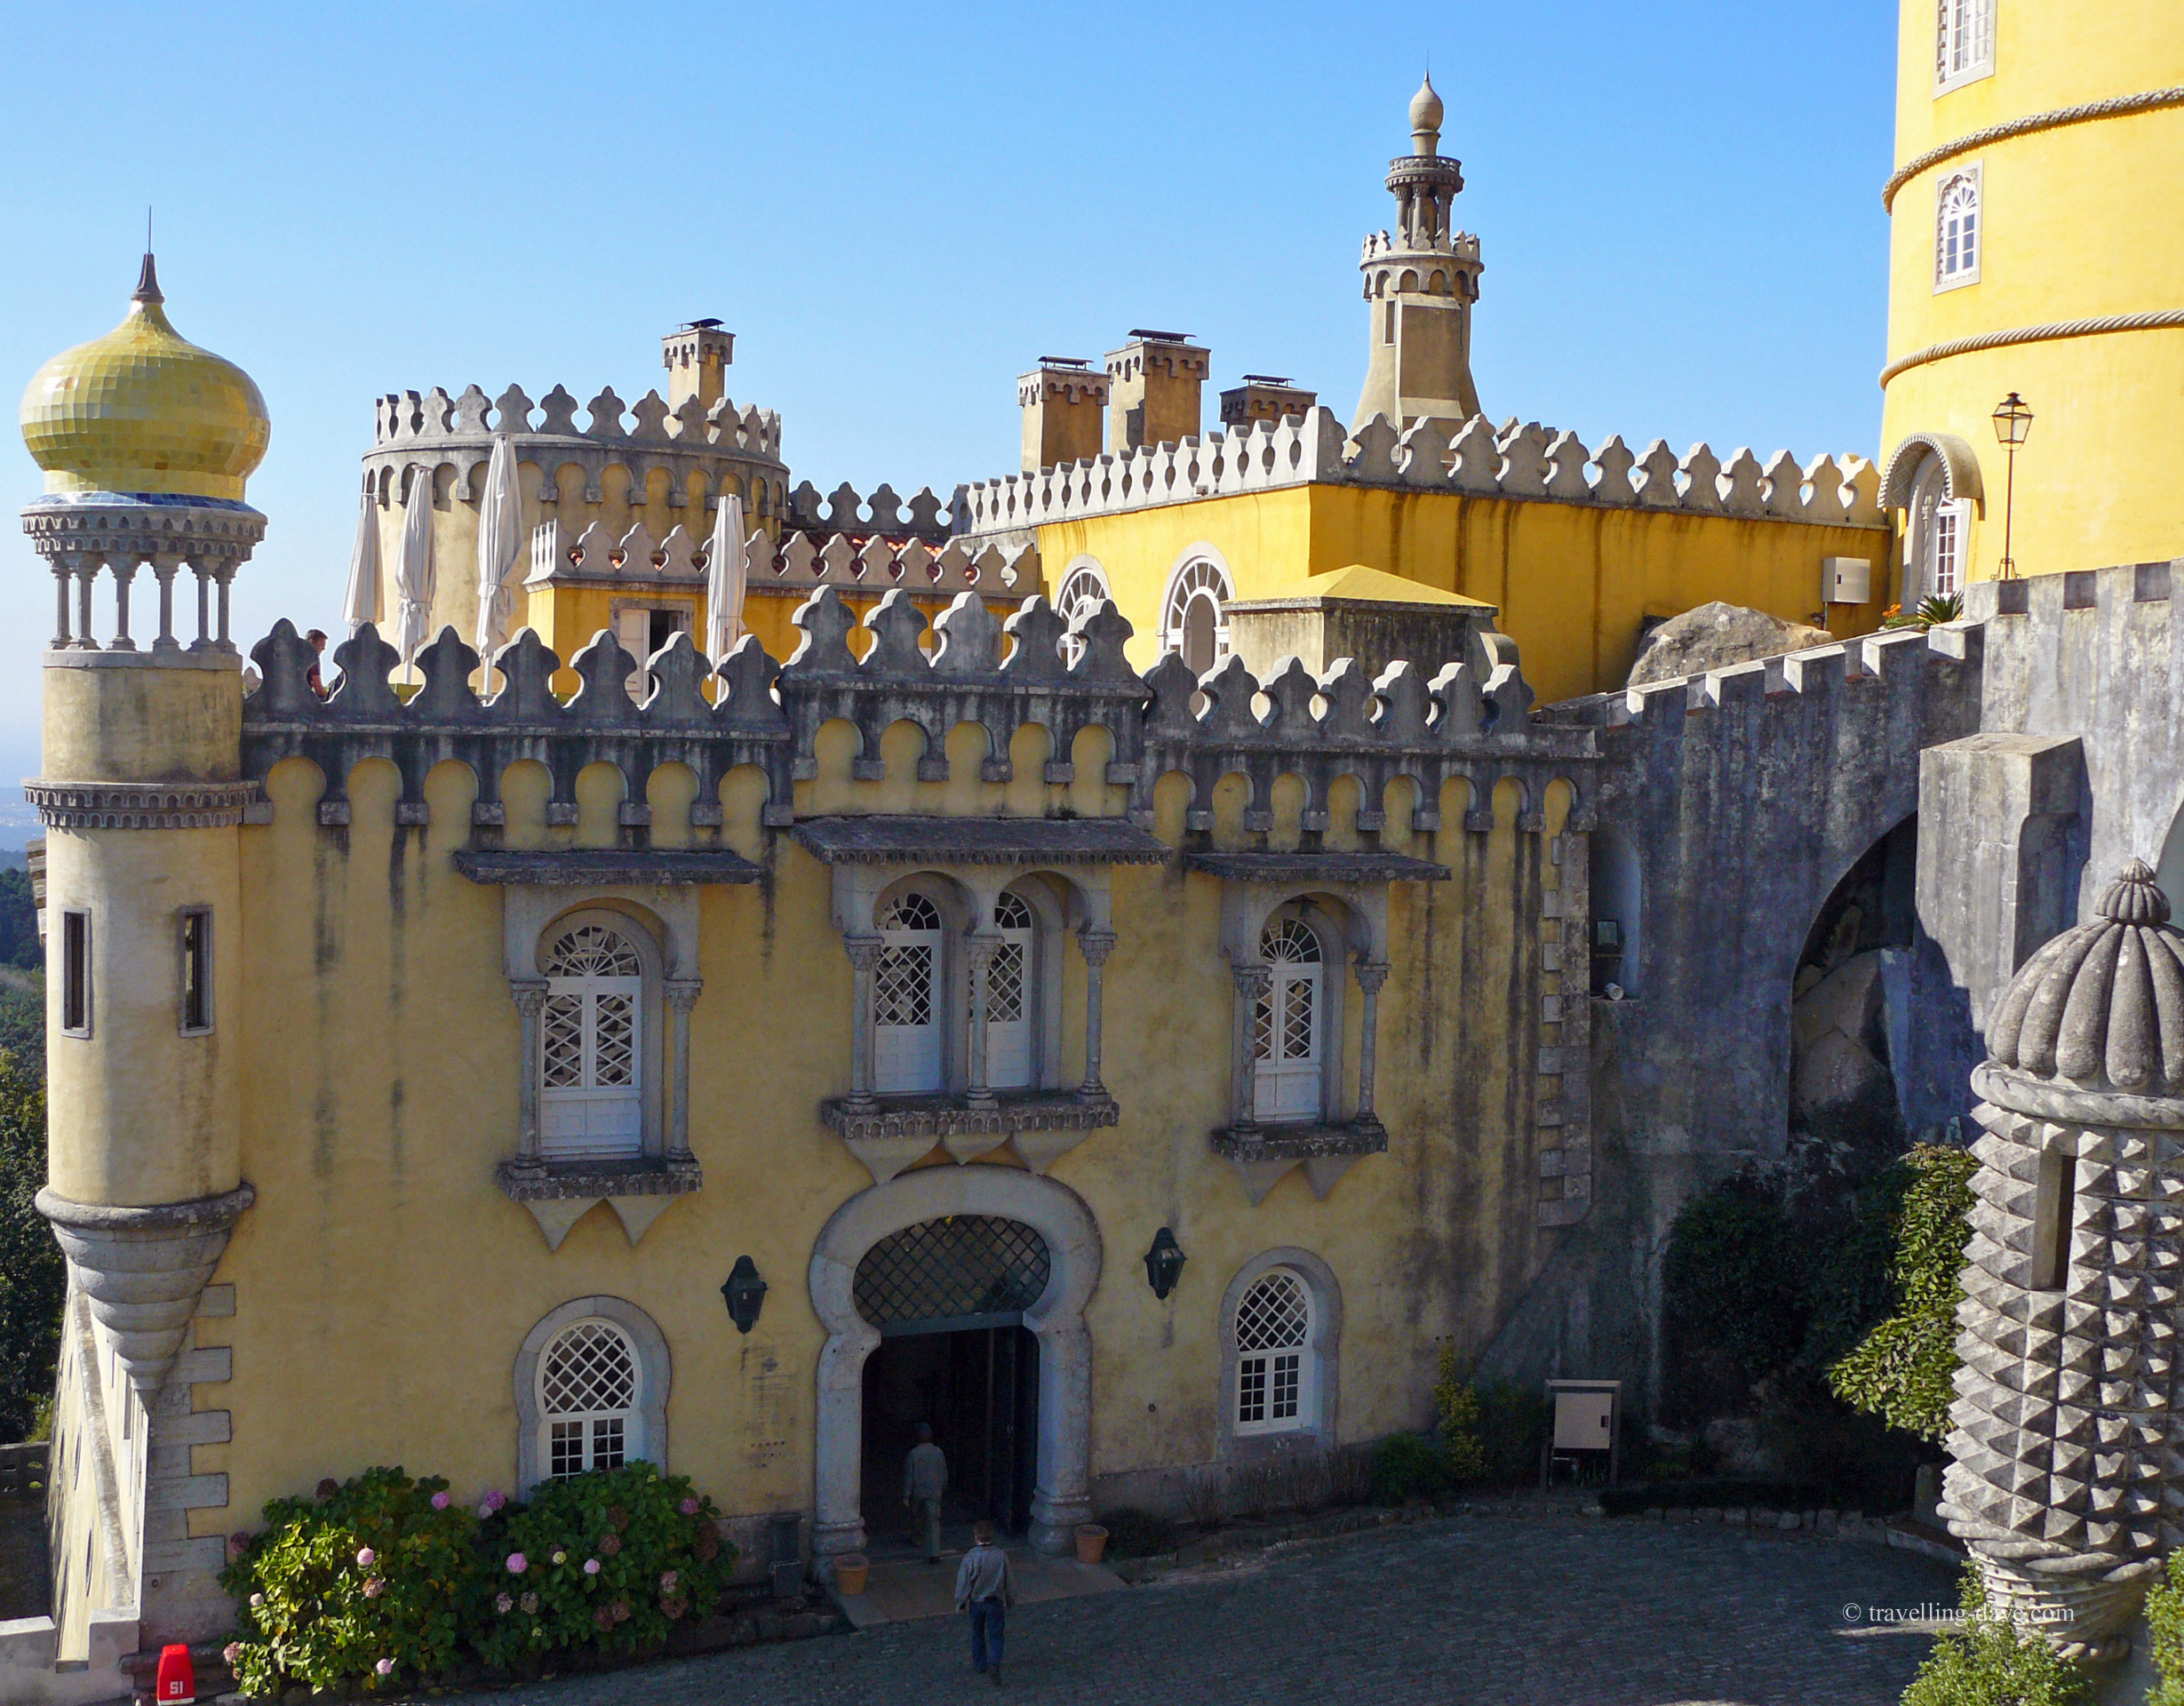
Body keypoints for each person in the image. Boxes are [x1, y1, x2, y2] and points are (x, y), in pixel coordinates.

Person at [954, 1519, 1016, 1685]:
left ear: (976, 1537)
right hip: (995, 1601)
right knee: (996, 1634)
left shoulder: (971, 1557)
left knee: (978, 1633)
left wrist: (960, 1601)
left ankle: (980, 1664)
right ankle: (994, 1662)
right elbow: (1009, 1578)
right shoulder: (1001, 1555)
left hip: (977, 1602)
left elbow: (964, 1581)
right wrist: (1010, 1597)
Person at [903, 1423, 946, 1563]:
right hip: (934, 1492)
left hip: (918, 1492)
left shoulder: (913, 1454)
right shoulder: (939, 1452)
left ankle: (917, 1538)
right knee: (933, 1521)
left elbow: (909, 1477)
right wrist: (942, 1488)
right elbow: (944, 1473)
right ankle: (934, 1553)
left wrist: (906, 1495)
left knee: (917, 1517)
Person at [304, 629, 331, 700]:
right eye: (321, 644)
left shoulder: (293, 655)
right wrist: (331, 695)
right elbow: (319, 690)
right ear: (311, 641)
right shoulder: (312, 658)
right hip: (301, 701)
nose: (323, 648)